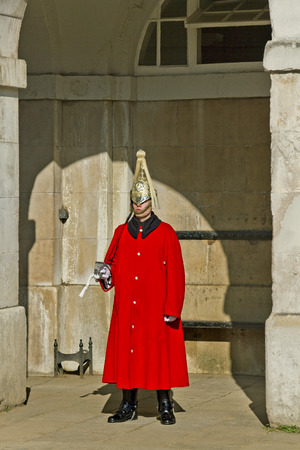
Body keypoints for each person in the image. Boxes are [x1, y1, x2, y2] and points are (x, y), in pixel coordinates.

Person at [97, 150, 189, 425]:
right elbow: (112, 267)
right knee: (129, 355)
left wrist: (172, 307)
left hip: (155, 307)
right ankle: (128, 403)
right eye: (135, 200)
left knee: (158, 357)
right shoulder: (121, 232)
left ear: (152, 201)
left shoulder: (166, 233)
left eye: (143, 199)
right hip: (128, 307)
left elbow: (176, 274)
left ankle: (164, 404)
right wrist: (105, 274)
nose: (139, 205)